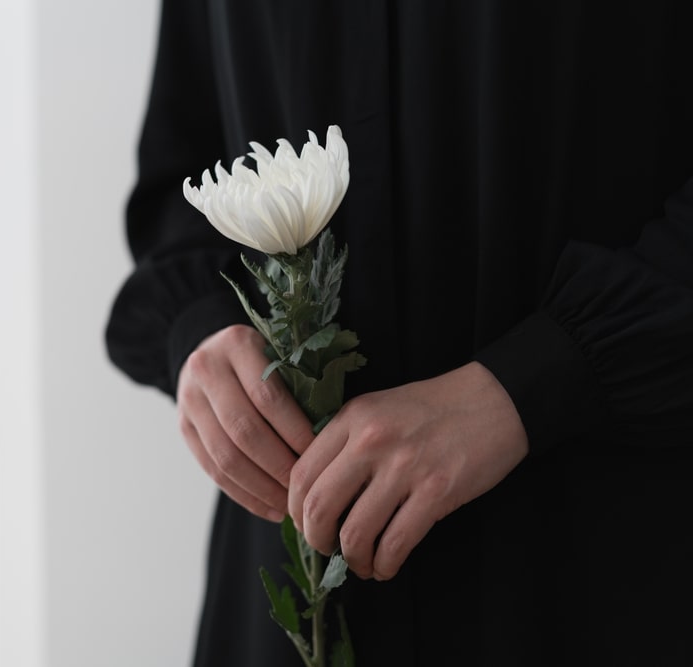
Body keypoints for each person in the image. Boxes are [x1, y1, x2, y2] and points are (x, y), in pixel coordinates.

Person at [105, 2, 693, 665]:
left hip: (592, 570)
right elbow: (184, 175)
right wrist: (202, 335)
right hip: (296, 584)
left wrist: (536, 378)